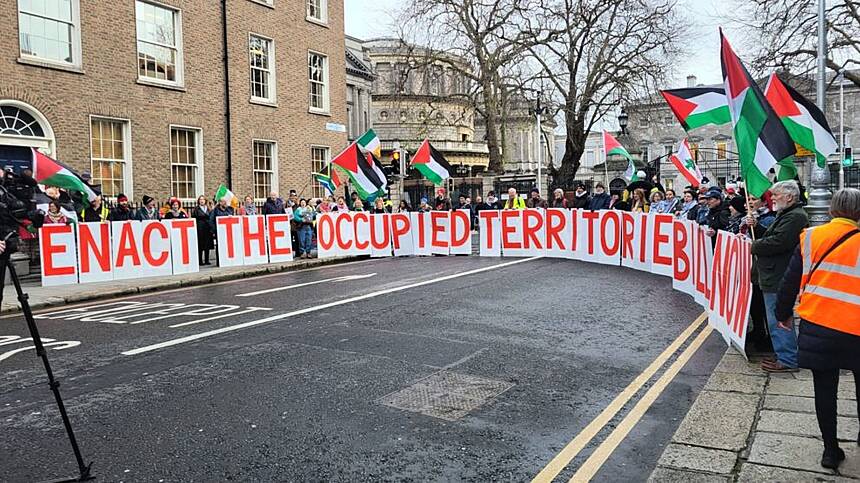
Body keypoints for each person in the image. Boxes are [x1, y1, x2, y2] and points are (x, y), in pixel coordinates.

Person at [774, 188, 860, 470]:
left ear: (833, 209)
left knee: (824, 391)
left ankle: (830, 450)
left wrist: (783, 315)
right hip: (856, 329)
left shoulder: (811, 236)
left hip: (819, 325)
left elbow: (789, 281)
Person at [747, 180, 809, 373]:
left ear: (789, 197)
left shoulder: (796, 216)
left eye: (776, 195)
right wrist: (756, 226)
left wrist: (753, 246)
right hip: (774, 273)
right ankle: (783, 353)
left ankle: (787, 358)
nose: (772, 198)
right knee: (775, 316)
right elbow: (770, 235)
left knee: (779, 317)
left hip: (778, 274)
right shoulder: (787, 214)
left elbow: (779, 242)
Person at [192, 195, 213, 265]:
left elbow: (211, 216)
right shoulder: (196, 209)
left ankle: (207, 260)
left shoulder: (208, 208)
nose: (202, 201)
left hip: (207, 228)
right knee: (200, 245)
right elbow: (194, 217)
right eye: (200, 199)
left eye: (203, 199)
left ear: (205, 200)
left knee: (207, 245)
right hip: (200, 228)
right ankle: (200, 260)